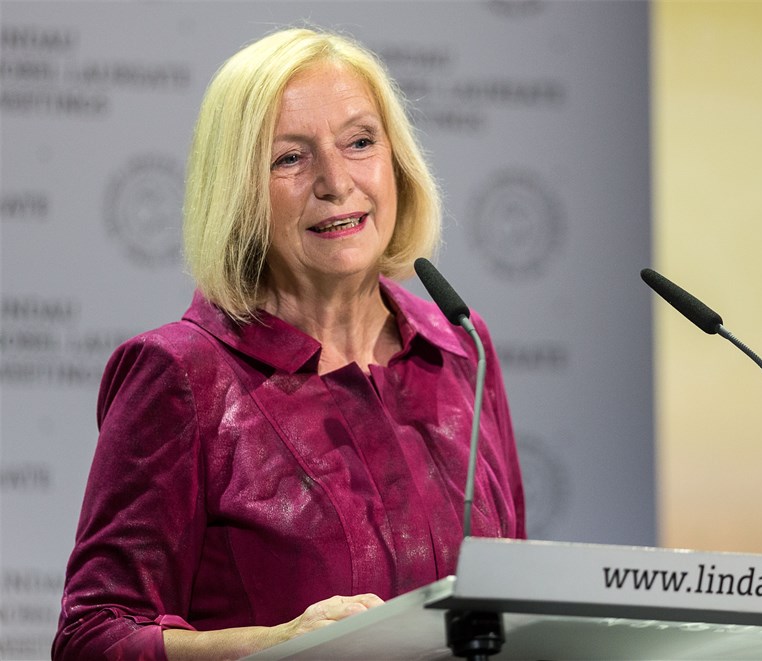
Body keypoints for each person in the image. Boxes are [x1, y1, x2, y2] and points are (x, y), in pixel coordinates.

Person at [53, 26, 526, 660]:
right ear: (239, 190)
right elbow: (91, 637)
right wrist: (274, 647)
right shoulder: (183, 374)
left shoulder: (460, 347)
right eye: (290, 159)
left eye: (360, 142)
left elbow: (516, 595)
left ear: (397, 162)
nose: (336, 181)